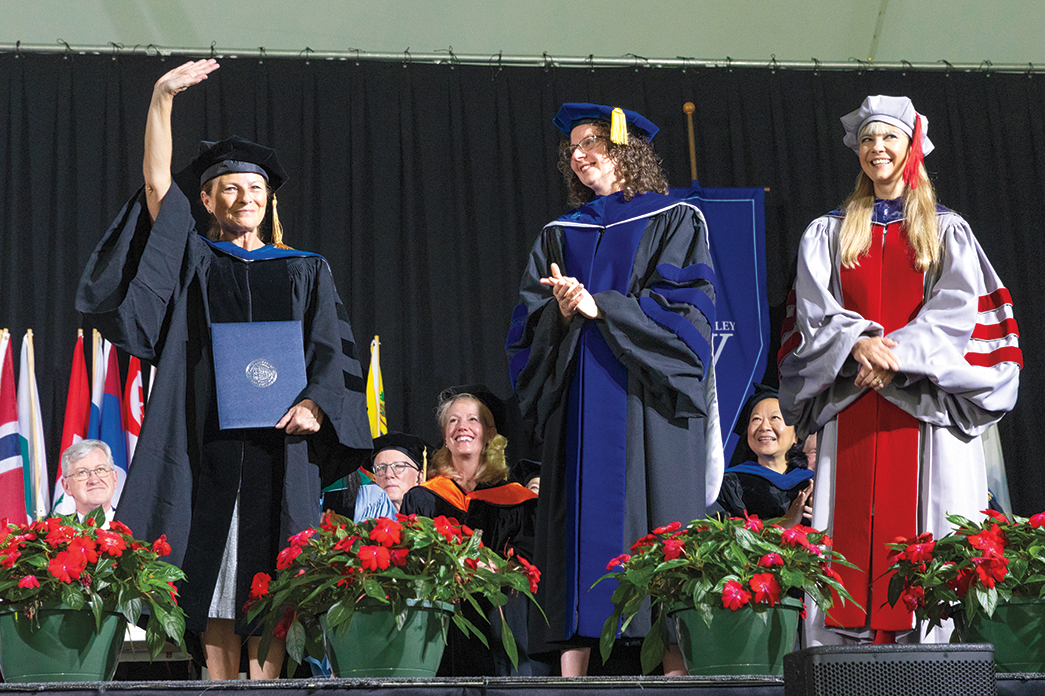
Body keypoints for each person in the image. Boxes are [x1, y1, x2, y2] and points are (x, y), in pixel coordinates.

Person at [75, 59, 371, 679]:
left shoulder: (305, 268)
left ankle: (265, 688)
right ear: (207, 197)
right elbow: (158, 184)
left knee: (272, 580)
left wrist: (317, 403)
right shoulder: (193, 256)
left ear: (270, 200)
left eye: (256, 189)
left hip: (277, 444)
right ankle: (218, 687)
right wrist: (161, 98)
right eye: (230, 187)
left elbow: (328, 349)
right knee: (211, 577)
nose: (245, 198)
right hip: (203, 440)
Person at [778, 95, 1021, 646]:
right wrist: (860, 343)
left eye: (888, 138)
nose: (876, 148)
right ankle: (844, 650)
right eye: (867, 140)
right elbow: (814, 311)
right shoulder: (830, 232)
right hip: (855, 398)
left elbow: (962, 310)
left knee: (930, 526)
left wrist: (898, 357)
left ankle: (931, 649)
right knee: (849, 535)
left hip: (924, 402)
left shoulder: (946, 230)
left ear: (912, 147)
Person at [505, 103, 720, 677]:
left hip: (646, 405)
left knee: (658, 531)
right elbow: (525, 336)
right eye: (572, 147)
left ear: (629, 148)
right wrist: (560, 311)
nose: (579, 154)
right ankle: (573, 675)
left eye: (593, 140)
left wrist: (606, 307)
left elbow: (687, 317)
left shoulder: (676, 219)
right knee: (578, 542)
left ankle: (674, 667)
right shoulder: (559, 234)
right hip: (579, 404)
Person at [400, 385, 539, 676]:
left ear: (490, 434)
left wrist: (503, 567)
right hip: (443, 621)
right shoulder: (423, 498)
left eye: (473, 419)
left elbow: (530, 556)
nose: (462, 426)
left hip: (501, 621)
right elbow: (408, 559)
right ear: (445, 437)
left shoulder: (518, 500)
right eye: (453, 420)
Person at [716, 385, 814, 526]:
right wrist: (785, 522)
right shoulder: (730, 484)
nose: (764, 427)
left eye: (774, 417)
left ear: (796, 435)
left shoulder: (812, 483)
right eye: (756, 419)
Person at [59, 440, 118, 524]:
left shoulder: (140, 528)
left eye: (101, 469)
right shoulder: (49, 534)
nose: (94, 480)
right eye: (82, 472)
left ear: (114, 478)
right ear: (66, 486)